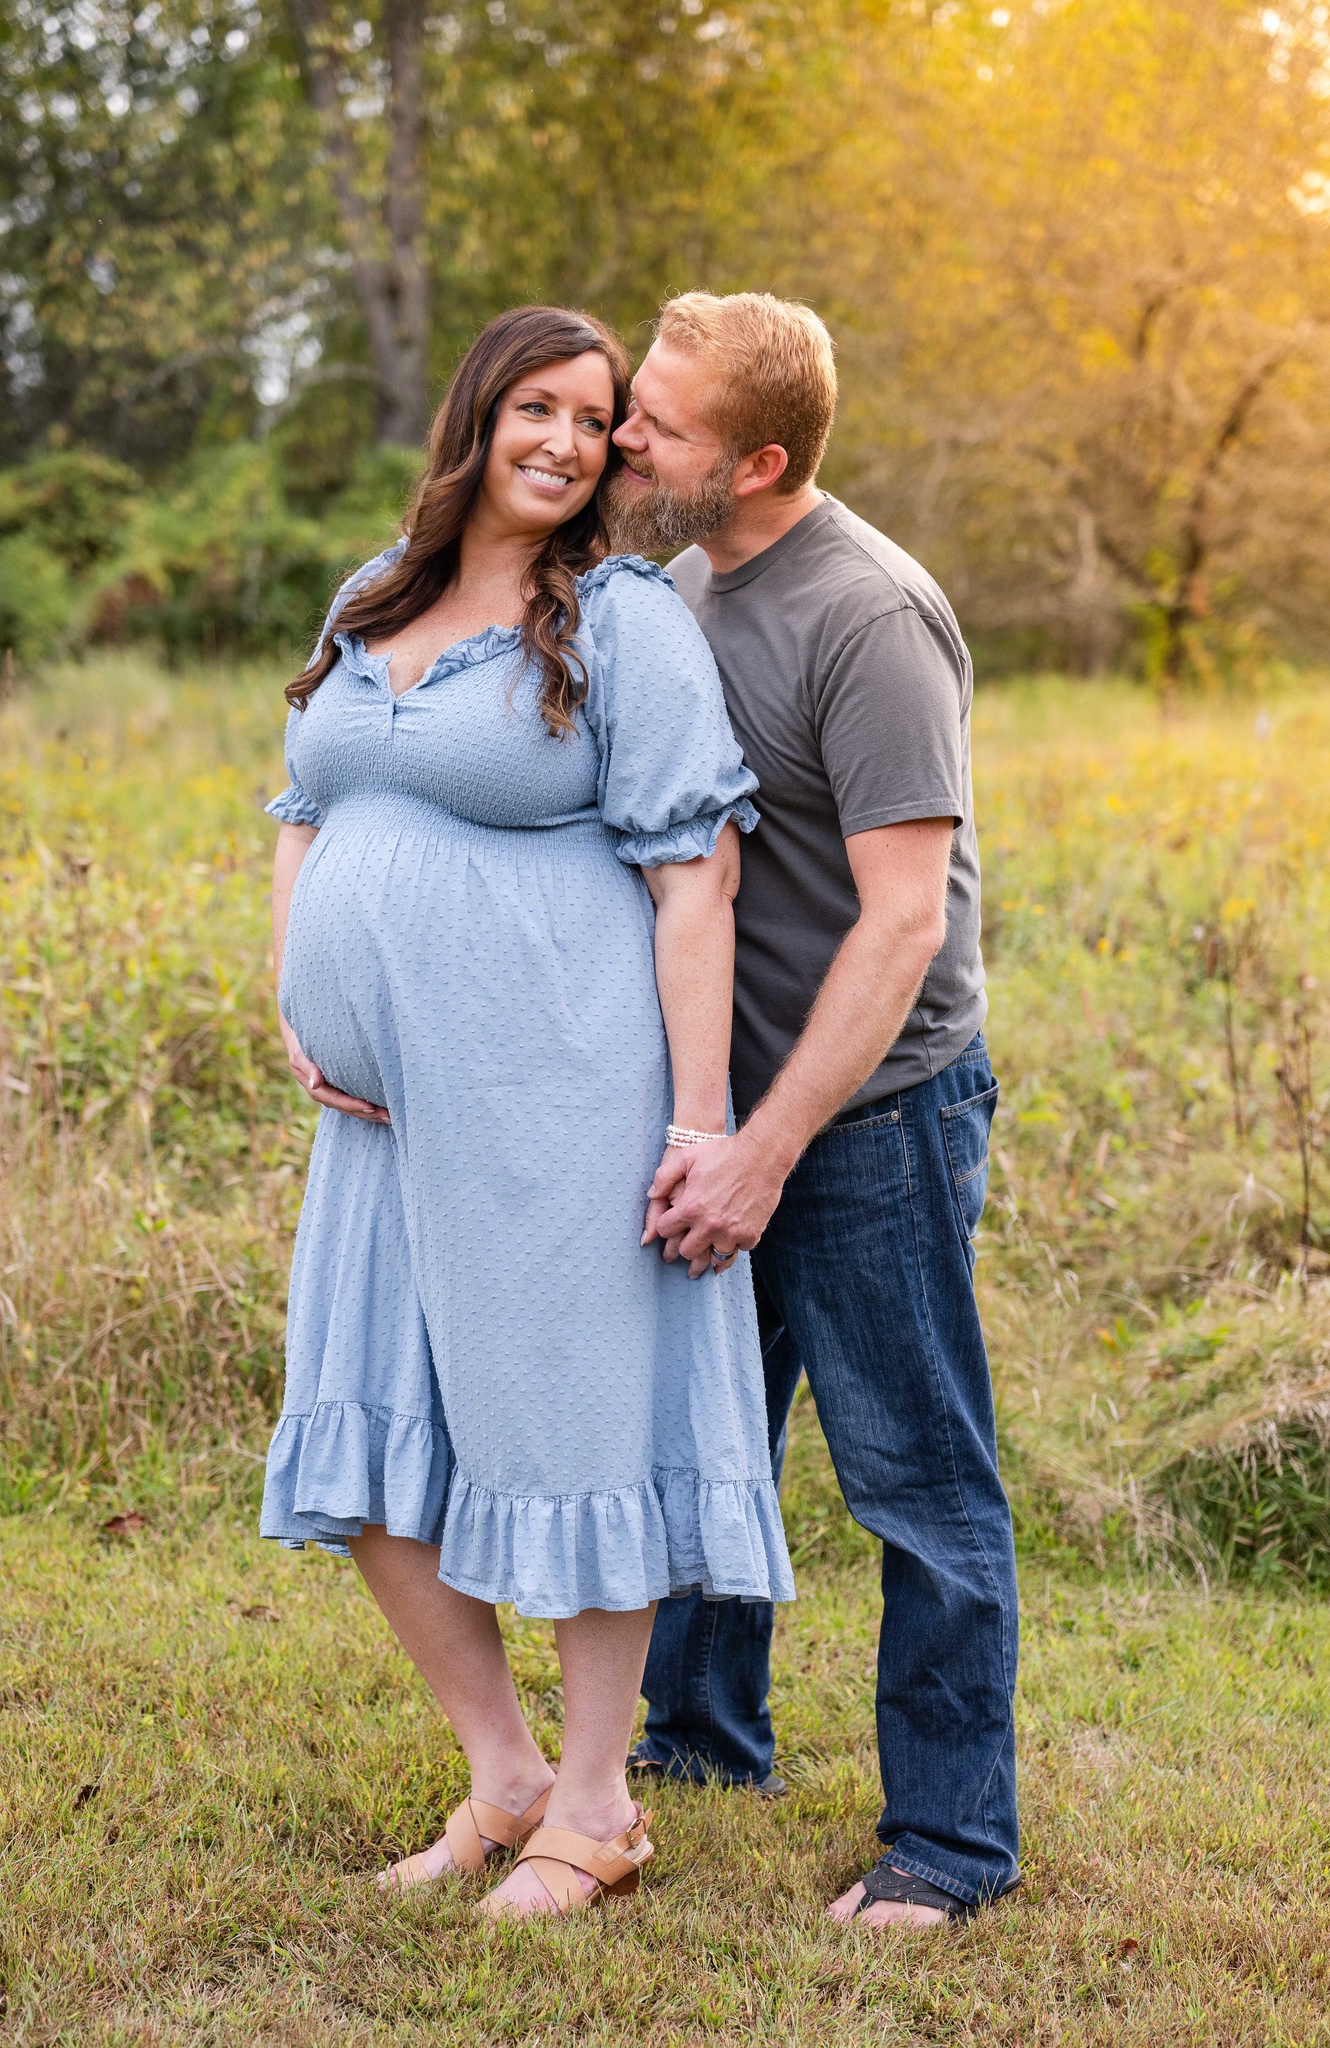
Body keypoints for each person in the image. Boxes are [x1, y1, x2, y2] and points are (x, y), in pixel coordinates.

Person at [258, 304, 793, 1920]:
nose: (566, 441)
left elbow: (694, 878)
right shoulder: (378, 589)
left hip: (562, 1080)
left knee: (564, 1432)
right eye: (538, 408)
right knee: (359, 1427)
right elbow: (303, 806)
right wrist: (297, 994)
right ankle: (501, 1777)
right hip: (380, 1111)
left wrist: (699, 1120)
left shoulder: (622, 618)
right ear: (478, 412)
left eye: (597, 415)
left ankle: (598, 1805)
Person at [607, 291, 1020, 1930]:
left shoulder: (868, 616)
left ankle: (950, 1843)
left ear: (759, 458)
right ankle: (701, 1739)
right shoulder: (683, 578)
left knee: (915, 1480)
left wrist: (767, 1151)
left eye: (661, 422)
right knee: (708, 1437)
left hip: (872, 1122)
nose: (626, 435)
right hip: (727, 1112)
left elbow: (903, 920)